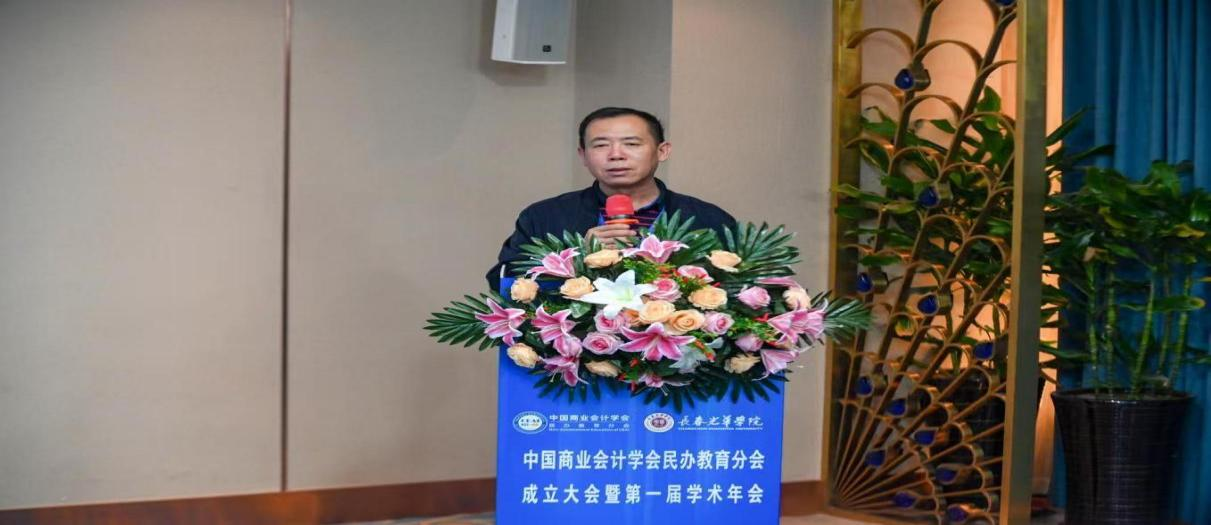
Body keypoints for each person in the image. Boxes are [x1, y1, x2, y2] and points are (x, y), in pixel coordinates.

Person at [487, 107, 736, 292]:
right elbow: (504, 283)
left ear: (662, 151)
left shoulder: (707, 219)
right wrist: (577, 260)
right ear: (583, 155)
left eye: (631, 143)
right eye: (601, 145)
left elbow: (739, 289)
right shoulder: (545, 216)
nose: (616, 155)